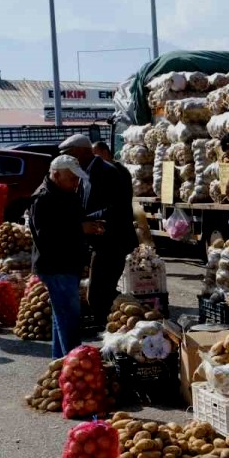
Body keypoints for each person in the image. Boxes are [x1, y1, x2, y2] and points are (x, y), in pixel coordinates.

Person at [30, 155, 105, 359]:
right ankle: (74, 364)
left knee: (62, 317)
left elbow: (69, 221)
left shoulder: (65, 193)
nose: (76, 183)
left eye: (77, 179)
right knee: (69, 319)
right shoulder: (43, 198)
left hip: (66, 264)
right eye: (72, 179)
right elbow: (45, 236)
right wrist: (80, 228)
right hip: (56, 266)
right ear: (55, 174)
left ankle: (60, 362)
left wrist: (89, 224)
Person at [60, 133, 137, 324]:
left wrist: (87, 220)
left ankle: (109, 330)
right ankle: (113, 328)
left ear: (82, 152)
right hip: (100, 242)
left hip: (112, 241)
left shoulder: (106, 171)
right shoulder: (86, 172)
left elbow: (119, 207)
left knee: (97, 296)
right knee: (103, 292)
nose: (68, 159)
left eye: (70, 154)